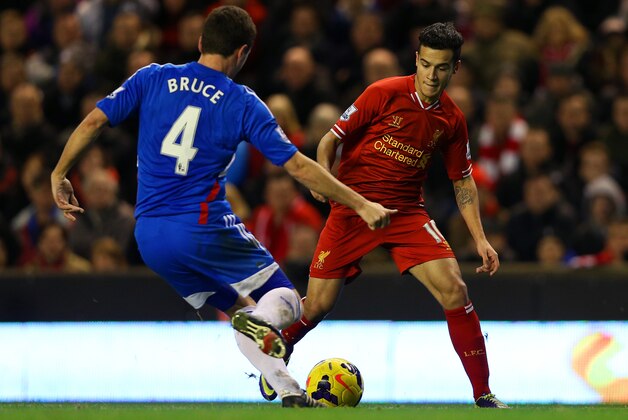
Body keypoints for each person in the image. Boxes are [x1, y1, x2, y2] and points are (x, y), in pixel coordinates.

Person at [50, 6, 395, 409]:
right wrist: (360, 202)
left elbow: (93, 122)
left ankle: (288, 390)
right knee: (284, 298)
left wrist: (60, 172)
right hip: (202, 226)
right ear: (243, 52)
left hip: (149, 237)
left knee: (238, 311)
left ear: (200, 42)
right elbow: (296, 165)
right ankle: (264, 326)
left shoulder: (152, 76)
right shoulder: (242, 102)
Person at [259, 22, 508, 408]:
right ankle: (278, 351)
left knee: (455, 288)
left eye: (441, 67)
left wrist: (480, 238)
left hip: (406, 213)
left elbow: (463, 182)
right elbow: (330, 140)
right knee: (318, 305)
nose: (431, 74)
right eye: (425, 64)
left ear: (455, 68)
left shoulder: (452, 120)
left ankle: (484, 394)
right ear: (416, 60)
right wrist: (323, 180)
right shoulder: (383, 93)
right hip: (352, 208)